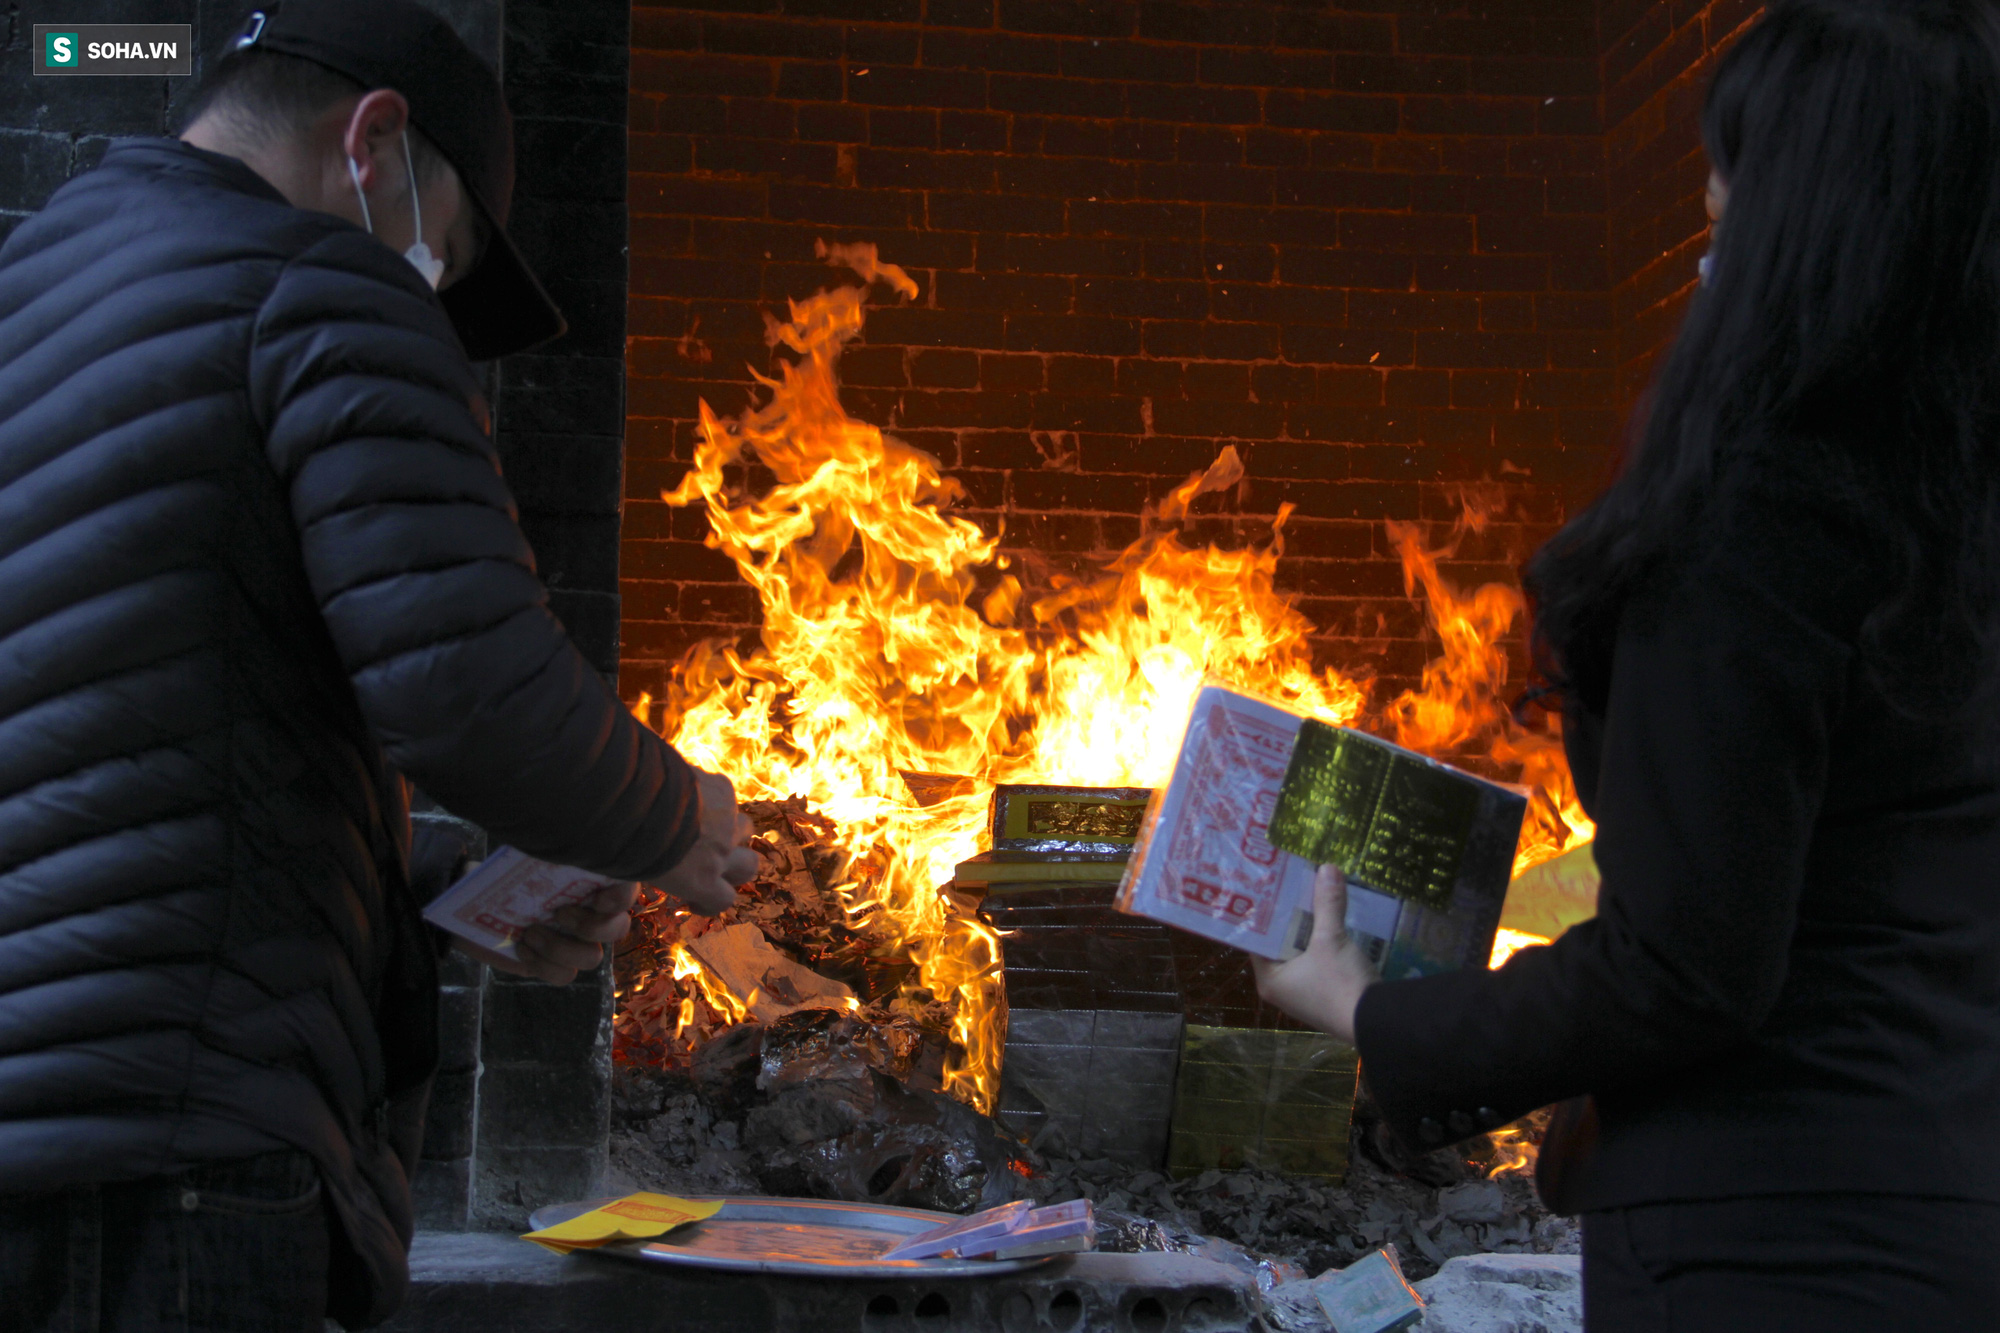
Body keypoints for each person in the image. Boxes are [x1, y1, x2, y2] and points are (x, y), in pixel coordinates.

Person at [0, 2, 756, 1329]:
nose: (434, 282)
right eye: (448, 243)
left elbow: (118, 749)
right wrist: (669, 816)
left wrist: (439, 892)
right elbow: (470, 690)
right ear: (376, 141)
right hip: (180, 1154)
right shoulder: (317, 279)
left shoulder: (37, 302)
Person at [1254, 1, 2000, 1328]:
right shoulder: (1954, 507)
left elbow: (1687, 967)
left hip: (1779, 1236)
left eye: (1731, 181)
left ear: (1805, 223)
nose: (1705, 207)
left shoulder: (1763, 517)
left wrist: (1375, 1017)